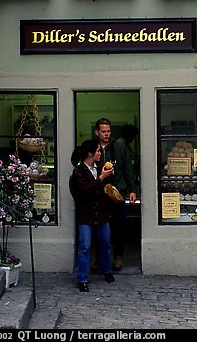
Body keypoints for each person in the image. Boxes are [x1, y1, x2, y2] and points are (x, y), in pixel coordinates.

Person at [69, 139, 115, 292]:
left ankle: (106, 271)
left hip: (101, 213)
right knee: (85, 246)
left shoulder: (101, 167)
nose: (100, 153)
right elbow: (85, 191)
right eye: (98, 151)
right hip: (86, 215)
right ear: (90, 154)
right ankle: (82, 278)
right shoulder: (78, 172)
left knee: (106, 244)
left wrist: (109, 174)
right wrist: (100, 178)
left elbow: (108, 187)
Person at [94, 118, 140, 271]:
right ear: (97, 132)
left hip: (118, 192)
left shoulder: (119, 147)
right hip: (99, 193)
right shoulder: (92, 148)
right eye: (103, 132)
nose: (106, 134)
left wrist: (133, 189)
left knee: (120, 226)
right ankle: (99, 258)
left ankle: (118, 256)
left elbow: (128, 169)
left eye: (108, 131)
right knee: (99, 225)